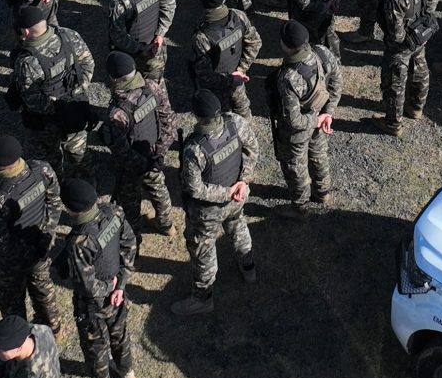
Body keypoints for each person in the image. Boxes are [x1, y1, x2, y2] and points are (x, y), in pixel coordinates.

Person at [172, 88, 257, 316]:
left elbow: (195, 188)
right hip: (237, 198)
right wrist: (243, 182)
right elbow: (252, 149)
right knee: (238, 226)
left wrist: (227, 192)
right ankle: (248, 267)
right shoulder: (236, 123)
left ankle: (202, 299)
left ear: (197, 116)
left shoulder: (195, 149)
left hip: (207, 212)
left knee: (203, 250)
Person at [53, 179, 138, 378]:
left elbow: (87, 285)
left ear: (71, 209)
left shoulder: (79, 243)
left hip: (93, 305)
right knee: (119, 334)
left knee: (95, 346)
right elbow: (130, 245)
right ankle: (126, 371)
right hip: (118, 295)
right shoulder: (114, 212)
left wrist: (111, 287)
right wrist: (120, 284)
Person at [0, 134, 66, 330]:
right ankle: (53, 327)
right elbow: (54, 202)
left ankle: (19, 333)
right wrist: (47, 234)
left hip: (14, 258)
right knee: (42, 287)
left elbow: (0, 241)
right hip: (40, 244)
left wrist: (7, 266)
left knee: (10, 298)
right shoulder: (42, 169)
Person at [9, 3, 97, 177]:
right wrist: (77, 92)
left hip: (46, 123)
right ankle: (88, 179)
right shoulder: (69, 35)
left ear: (25, 31)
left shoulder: (28, 62)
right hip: (75, 109)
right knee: (79, 152)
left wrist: (56, 108)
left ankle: (56, 183)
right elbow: (88, 63)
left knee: (48, 157)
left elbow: (32, 101)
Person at [100, 51, 175, 235]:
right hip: (153, 153)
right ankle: (166, 225)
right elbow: (169, 121)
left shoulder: (118, 114)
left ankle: (134, 240)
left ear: (114, 79)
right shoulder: (152, 86)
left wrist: (144, 163)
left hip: (134, 166)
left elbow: (122, 154)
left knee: (129, 204)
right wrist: (158, 154)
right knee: (158, 189)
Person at [269, 19, 340, 211]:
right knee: (318, 154)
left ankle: (300, 207)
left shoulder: (288, 77)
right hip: (319, 116)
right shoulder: (322, 52)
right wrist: (327, 113)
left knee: (295, 166)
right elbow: (337, 82)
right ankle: (323, 192)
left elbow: (294, 120)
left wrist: (317, 119)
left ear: (286, 45)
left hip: (299, 131)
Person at [378, 0, 436, 131]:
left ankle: (393, 123)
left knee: (395, 82)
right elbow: (431, 2)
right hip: (420, 33)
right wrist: (422, 30)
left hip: (403, 43)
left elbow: (396, 33)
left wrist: (402, 42)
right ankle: (417, 107)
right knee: (420, 69)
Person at [187, 0, 257, 117]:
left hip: (217, 90)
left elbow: (205, 75)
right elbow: (255, 43)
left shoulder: (202, 36)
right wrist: (241, 70)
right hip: (238, 80)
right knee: (243, 109)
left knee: (222, 118)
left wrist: (230, 79)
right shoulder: (239, 15)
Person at [106, 0, 174, 87]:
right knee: (156, 86)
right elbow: (170, 5)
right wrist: (160, 34)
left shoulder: (119, 1)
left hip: (133, 57)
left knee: (134, 90)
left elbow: (118, 37)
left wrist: (139, 49)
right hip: (156, 48)